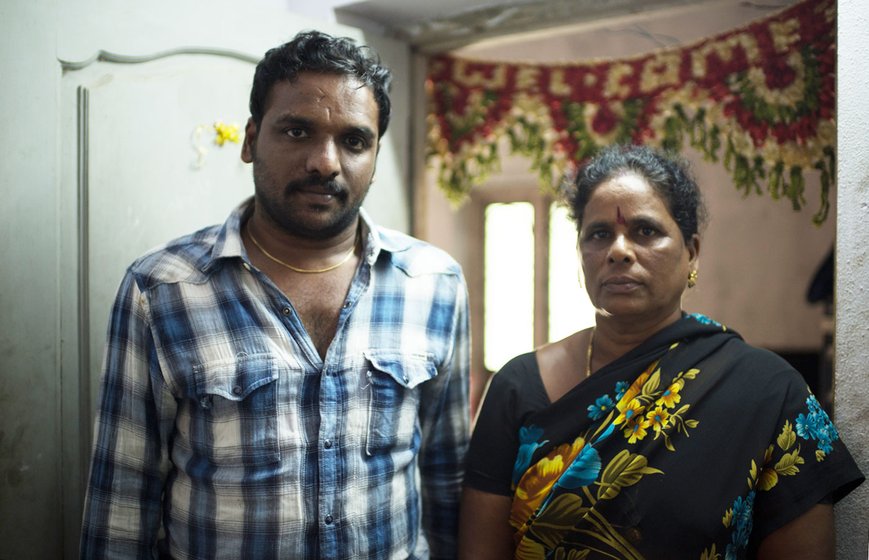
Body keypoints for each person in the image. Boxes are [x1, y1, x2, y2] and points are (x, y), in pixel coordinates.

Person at [80, 30, 470, 560]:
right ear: (250, 139)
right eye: (297, 131)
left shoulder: (433, 284)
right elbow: (122, 505)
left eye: (354, 141)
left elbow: (448, 479)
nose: (325, 162)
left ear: (375, 155)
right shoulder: (163, 290)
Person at [458, 144, 863, 559]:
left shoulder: (769, 393)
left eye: (645, 231)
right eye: (599, 234)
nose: (618, 250)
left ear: (692, 252)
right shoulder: (516, 387)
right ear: (581, 254)